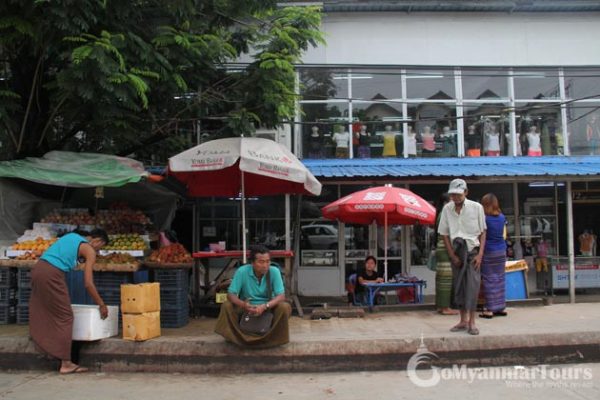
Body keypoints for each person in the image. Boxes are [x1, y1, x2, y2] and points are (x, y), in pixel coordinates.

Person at [29, 229, 109, 374]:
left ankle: (44, 343)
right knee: (66, 316)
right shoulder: (90, 250)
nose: (98, 250)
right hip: (52, 274)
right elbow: (88, 284)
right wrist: (101, 304)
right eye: (100, 247)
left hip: (39, 269)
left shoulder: (72, 236)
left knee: (43, 307)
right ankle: (66, 363)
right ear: (98, 241)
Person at [215, 245, 291, 347]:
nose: (265, 265)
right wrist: (243, 304)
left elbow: (281, 296)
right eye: (261, 262)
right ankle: (236, 337)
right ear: (252, 263)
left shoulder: (274, 271)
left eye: (267, 261)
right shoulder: (242, 271)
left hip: (267, 306)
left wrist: (265, 306)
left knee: (284, 307)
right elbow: (231, 294)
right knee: (226, 305)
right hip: (246, 307)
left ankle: (273, 339)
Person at [438, 179, 486, 335]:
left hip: (472, 250)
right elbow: (444, 234)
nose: (456, 197)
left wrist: (480, 255)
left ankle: (472, 322)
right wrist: (452, 255)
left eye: (458, 194)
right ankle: (463, 320)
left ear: (466, 192)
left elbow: (483, 232)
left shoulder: (476, 207)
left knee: (472, 286)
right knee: (459, 286)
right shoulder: (447, 209)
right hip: (456, 251)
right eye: (453, 195)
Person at [479, 193, 507, 319]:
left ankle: (489, 309)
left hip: (488, 251)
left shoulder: (485, 219)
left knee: (489, 280)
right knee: (499, 279)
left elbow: (481, 235)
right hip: (501, 251)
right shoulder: (502, 217)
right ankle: (500, 307)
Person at [434, 193, 458, 315]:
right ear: (446, 203)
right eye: (451, 200)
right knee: (446, 279)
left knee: (441, 278)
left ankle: (440, 305)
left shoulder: (439, 214)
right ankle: (445, 307)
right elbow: (447, 234)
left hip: (441, 248)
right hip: (445, 249)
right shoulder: (445, 214)